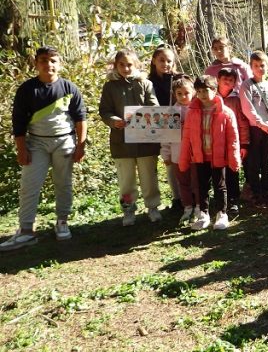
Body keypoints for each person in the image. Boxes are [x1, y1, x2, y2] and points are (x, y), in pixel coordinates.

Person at [1, 47, 87, 251]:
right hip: (36, 143)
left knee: (63, 183)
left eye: (53, 60)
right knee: (29, 186)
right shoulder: (27, 89)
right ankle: (26, 230)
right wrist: (22, 149)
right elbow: (19, 123)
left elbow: (81, 118)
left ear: (60, 63)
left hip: (64, 142)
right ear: (36, 63)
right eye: (43, 60)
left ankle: (62, 222)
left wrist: (80, 145)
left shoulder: (69, 87)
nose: (48, 64)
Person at [99, 49, 162, 226]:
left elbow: (154, 107)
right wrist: (113, 121)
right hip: (122, 142)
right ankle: (128, 209)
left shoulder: (145, 84)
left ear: (136, 65)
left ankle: (153, 206)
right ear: (116, 65)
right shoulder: (110, 86)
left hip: (145, 141)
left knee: (149, 177)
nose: (126, 68)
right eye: (122, 64)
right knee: (126, 180)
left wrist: (142, 116)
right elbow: (104, 111)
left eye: (129, 64)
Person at [179, 76, 240, 230]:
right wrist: (184, 158)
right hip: (200, 157)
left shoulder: (226, 113)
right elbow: (186, 137)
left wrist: (234, 158)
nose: (202, 94)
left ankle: (221, 213)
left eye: (205, 90)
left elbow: (233, 138)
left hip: (218, 157)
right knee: (201, 186)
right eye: (198, 91)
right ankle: (203, 215)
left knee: (220, 186)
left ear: (214, 90)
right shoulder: (192, 112)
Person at [240, 50, 268, 202]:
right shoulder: (246, 86)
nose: (259, 68)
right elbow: (247, 108)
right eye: (256, 65)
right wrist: (260, 123)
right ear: (251, 67)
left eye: (262, 65)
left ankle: (267, 189)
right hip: (255, 130)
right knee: (254, 162)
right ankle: (256, 191)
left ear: (267, 67)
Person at [161, 76, 200, 226]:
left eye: (186, 93)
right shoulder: (171, 113)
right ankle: (187, 207)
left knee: (197, 183)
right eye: (179, 94)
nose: (183, 97)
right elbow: (166, 136)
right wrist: (166, 154)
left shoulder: (198, 109)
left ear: (193, 92)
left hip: (196, 155)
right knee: (183, 183)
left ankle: (198, 207)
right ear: (174, 94)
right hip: (178, 156)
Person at [148, 45, 182, 210]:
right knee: (168, 162)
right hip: (158, 126)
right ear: (154, 60)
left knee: (181, 161)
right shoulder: (147, 82)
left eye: (169, 60)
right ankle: (176, 198)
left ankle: (188, 197)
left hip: (181, 124)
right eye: (161, 60)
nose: (165, 64)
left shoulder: (179, 79)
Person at [217, 67, 250, 210]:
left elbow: (242, 123)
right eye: (224, 79)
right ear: (218, 80)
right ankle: (219, 199)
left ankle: (233, 199)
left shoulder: (236, 100)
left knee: (233, 171)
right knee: (218, 172)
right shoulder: (211, 98)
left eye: (231, 80)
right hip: (215, 143)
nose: (227, 82)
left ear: (234, 83)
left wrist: (244, 144)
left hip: (232, 142)